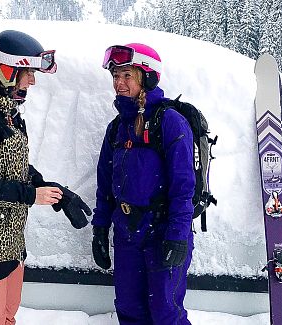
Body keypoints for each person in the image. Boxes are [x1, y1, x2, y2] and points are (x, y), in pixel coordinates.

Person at [0, 30, 89, 325]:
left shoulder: (6, 112)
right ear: (7, 71)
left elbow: (16, 167)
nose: (32, 81)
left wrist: (52, 190)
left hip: (9, 243)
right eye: (28, 73)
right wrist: (29, 196)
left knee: (7, 318)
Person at [91, 43, 196, 324]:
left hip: (162, 231)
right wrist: (100, 230)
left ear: (146, 78)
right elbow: (105, 185)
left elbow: (183, 187)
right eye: (115, 76)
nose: (119, 83)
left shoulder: (171, 123)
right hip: (127, 234)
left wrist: (177, 235)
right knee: (129, 310)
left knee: (166, 313)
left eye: (127, 76)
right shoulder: (116, 127)